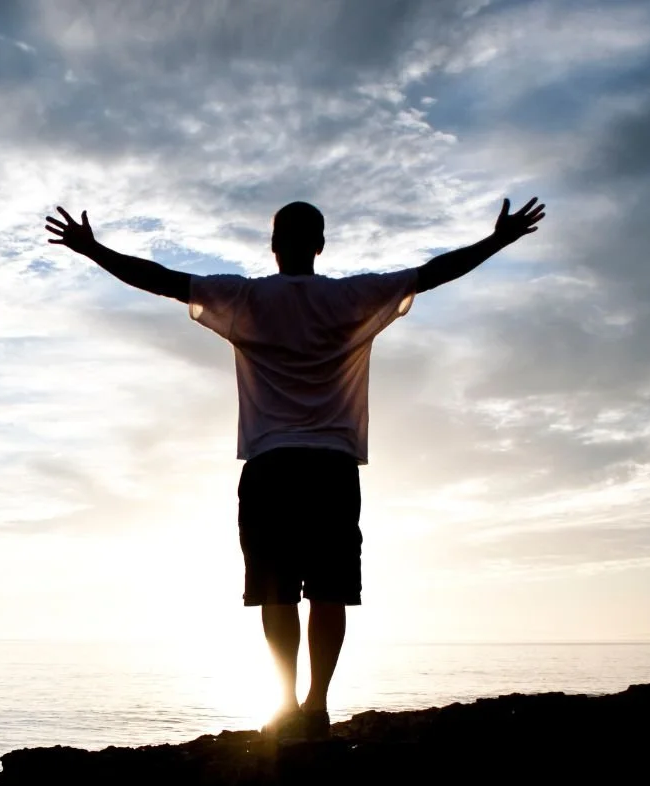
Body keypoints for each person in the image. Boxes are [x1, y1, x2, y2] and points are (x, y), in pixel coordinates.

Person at [44, 196, 546, 740]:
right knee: (330, 589)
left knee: (276, 591)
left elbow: (164, 279)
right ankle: (316, 706)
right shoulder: (351, 296)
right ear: (321, 244)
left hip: (270, 464)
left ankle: (284, 706)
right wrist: (498, 241)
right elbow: (432, 273)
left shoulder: (246, 297)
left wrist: (93, 250)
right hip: (332, 465)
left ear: (275, 244)